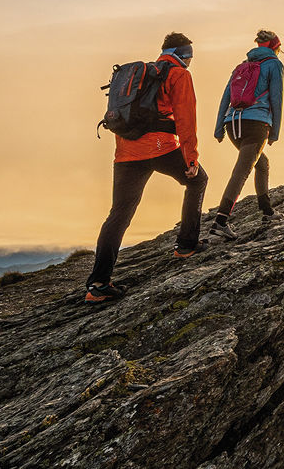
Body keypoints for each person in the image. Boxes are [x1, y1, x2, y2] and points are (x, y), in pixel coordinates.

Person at [84, 32, 208, 303]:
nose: (190, 60)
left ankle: (98, 285)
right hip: (160, 147)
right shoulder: (178, 74)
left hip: (126, 152)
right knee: (198, 180)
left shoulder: (144, 75)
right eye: (189, 55)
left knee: (119, 214)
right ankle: (186, 246)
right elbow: (187, 119)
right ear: (184, 53)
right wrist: (191, 158)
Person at [208, 30, 284, 230]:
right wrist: (274, 131)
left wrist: (219, 128)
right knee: (242, 171)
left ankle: (267, 211)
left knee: (261, 163)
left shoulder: (242, 66)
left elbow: (226, 97)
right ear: (276, 48)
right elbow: (276, 99)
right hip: (256, 124)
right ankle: (220, 222)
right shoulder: (274, 64)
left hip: (233, 124)